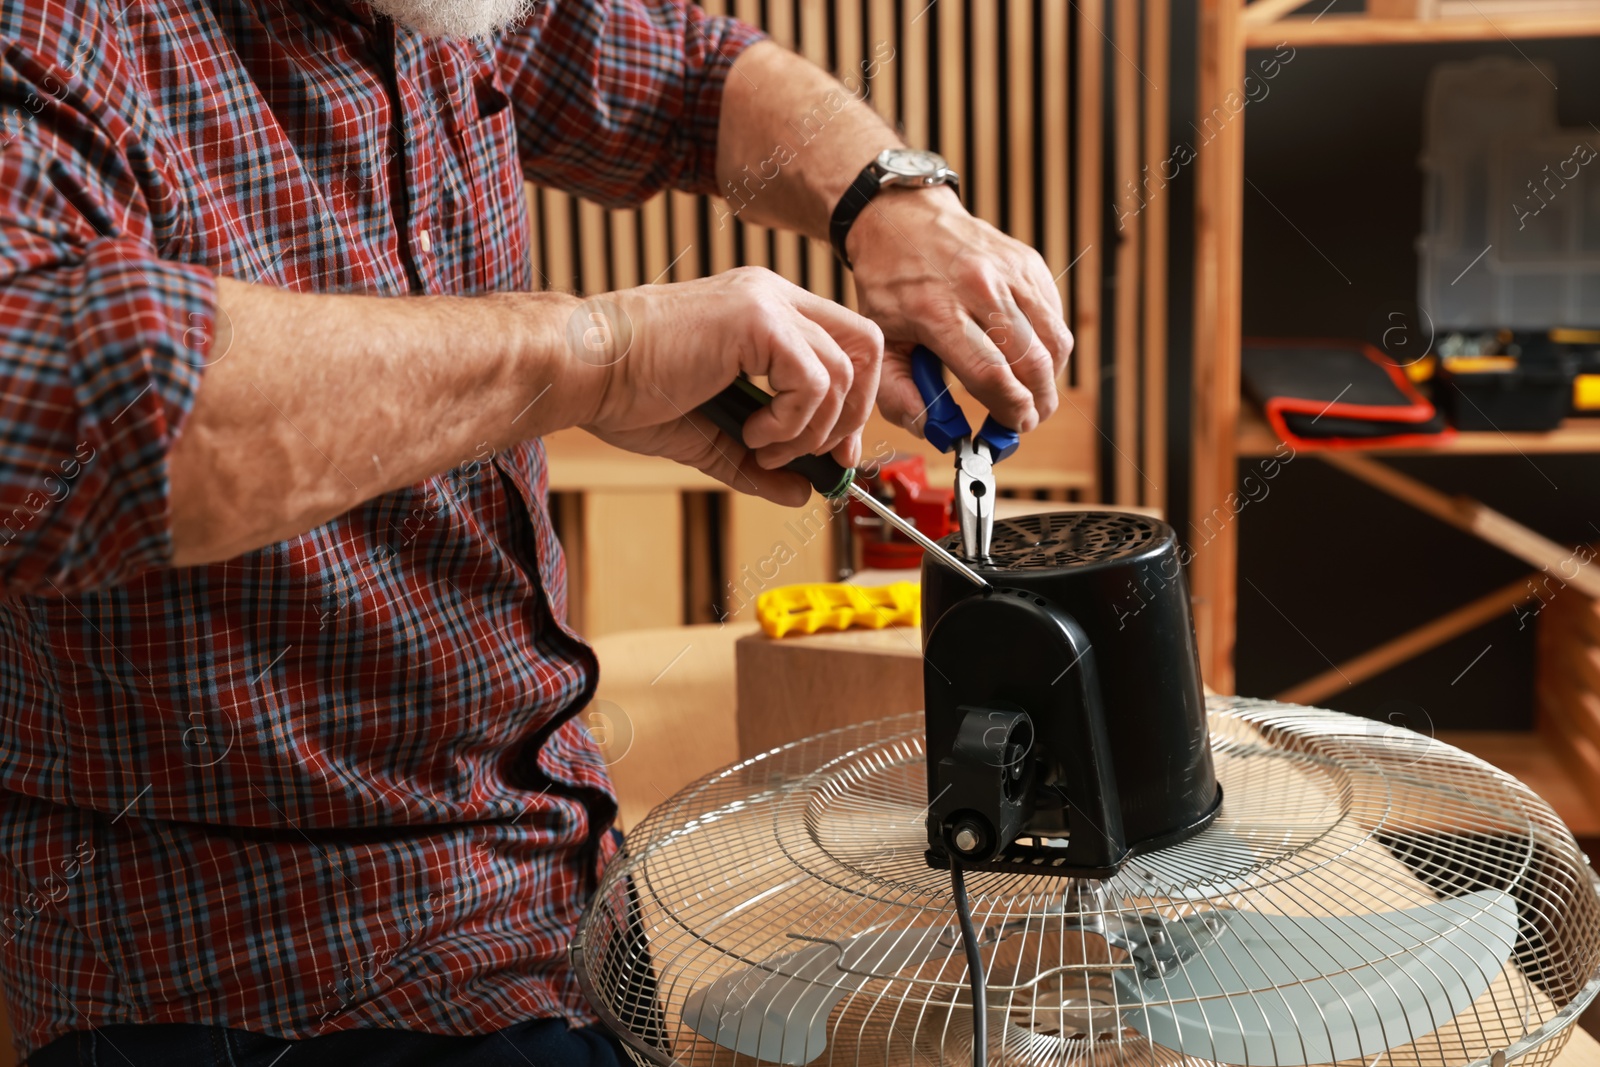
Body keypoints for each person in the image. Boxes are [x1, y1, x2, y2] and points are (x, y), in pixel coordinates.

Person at [0, 0, 1072, 1063]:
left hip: (554, 893)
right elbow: (42, 413)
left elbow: (686, 74)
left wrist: (887, 195)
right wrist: (592, 355)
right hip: (259, 975)